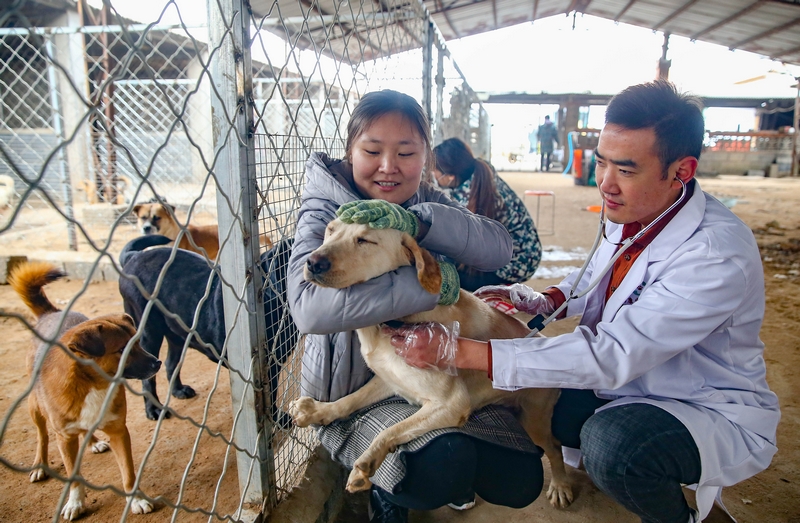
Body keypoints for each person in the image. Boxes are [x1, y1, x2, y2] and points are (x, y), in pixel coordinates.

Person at [390, 80, 780, 523]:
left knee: (610, 446)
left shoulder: (715, 255)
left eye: (626, 170)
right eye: (601, 162)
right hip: (630, 382)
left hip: (700, 404)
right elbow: (600, 271)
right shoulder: (639, 209)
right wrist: (541, 300)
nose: (605, 184)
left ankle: (685, 517)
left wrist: (459, 351)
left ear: (682, 171)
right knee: (532, 401)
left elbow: (612, 353)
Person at [286, 90, 547, 523]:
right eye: (372, 151)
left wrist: (421, 225)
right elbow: (311, 310)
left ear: (425, 158)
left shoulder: (425, 202)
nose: (389, 166)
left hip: (430, 375)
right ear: (350, 151)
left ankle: (444, 472)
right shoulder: (323, 210)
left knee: (518, 477)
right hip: (352, 386)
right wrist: (432, 286)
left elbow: (501, 248)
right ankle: (391, 496)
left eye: (406, 153)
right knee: (441, 463)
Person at [432, 137, 542, 291]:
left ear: (450, 176)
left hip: (516, 265)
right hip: (527, 254)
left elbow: (460, 244)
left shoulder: (468, 198)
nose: (433, 175)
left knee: (441, 275)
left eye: (435, 171)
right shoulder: (481, 176)